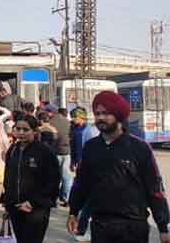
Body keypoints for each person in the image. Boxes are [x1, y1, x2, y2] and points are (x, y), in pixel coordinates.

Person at [68, 91, 170, 243]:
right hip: (101, 225)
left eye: (106, 113)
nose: (100, 117)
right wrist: (73, 211)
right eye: (97, 113)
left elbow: (154, 188)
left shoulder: (139, 147)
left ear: (119, 115)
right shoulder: (91, 147)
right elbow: (81, 182)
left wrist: (163, 227)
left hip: (133, 226)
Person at [2, 114, 61, 243]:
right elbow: (8, 178)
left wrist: (34, 203)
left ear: (35, 131)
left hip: (36, 211)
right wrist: (8, 204)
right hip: (15, 208)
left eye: (26, 129)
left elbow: (53, 183)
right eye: (18, 129)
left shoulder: (45, 152)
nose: (21, 132)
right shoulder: (12, 150)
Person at [68, 107, 99, 242]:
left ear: (82, 118)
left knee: (89, 201)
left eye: (75, 117)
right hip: (83, 169)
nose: (74, 120)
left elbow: (87, 151)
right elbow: (75, 148)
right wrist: (74, 161)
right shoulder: (77, 130)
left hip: (88, 169)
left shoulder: (89, 131)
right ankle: (81, 229)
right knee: (88, 201)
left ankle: (81, 229)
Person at [46, 104, 72, 207]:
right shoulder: (67, 121)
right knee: (67, 177)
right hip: (67, 152)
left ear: (51, 112)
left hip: (55, 152)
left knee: (54, 177)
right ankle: (66, 198)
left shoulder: (50, 123)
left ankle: (55, 199)